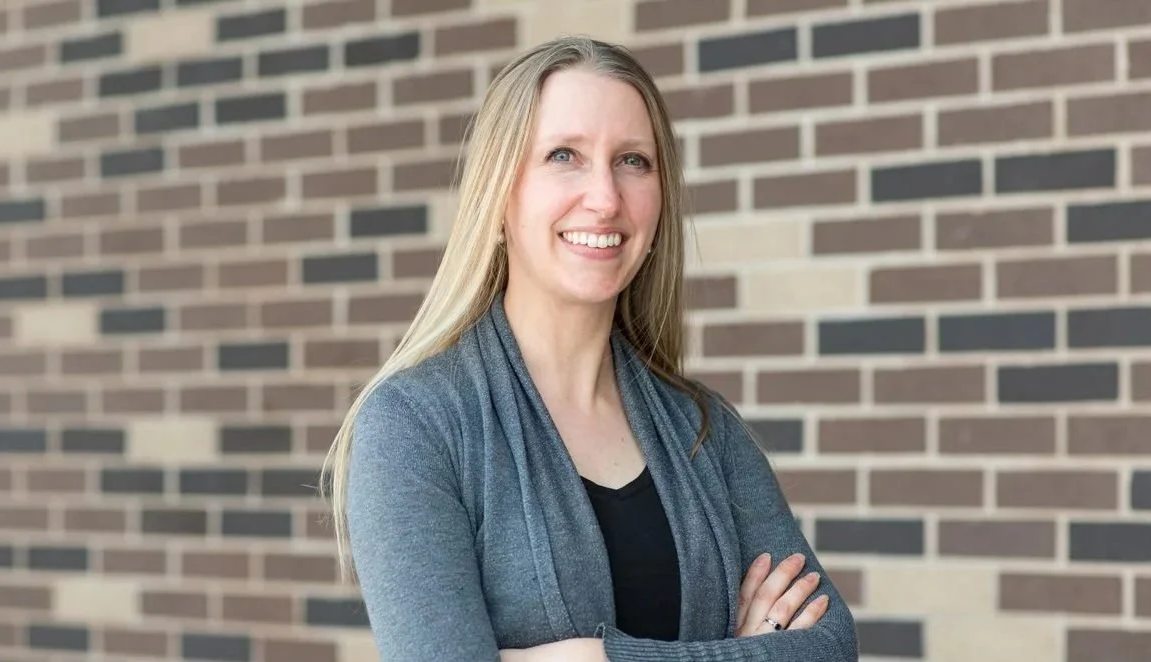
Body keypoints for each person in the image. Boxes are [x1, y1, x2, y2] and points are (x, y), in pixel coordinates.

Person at [319, 35, 859, 661]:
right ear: (499, 198)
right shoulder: (418, 426)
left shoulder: (703, 430)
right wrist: (733, 652)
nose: (605, 197)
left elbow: (829, 645)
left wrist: (597, 658)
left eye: (633, 161)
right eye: (564, 155)